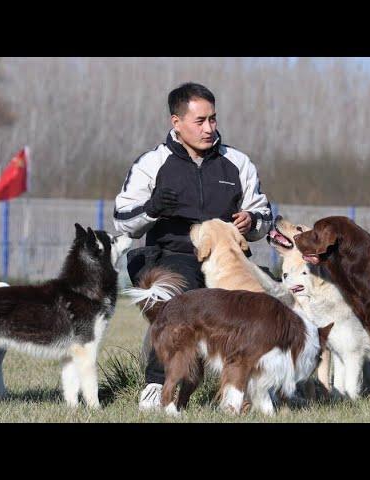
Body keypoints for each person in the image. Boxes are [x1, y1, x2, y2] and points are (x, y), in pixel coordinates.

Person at [113, 82, 272, 410]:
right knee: (179, 295)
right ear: (176, 122)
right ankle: (157, 385)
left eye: (213, 119)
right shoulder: (151, 163)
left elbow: (266, 216)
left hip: (227, 261)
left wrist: (252, 222)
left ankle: (251, 390)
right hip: (171, 256)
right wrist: (152, 208)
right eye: (200, 121)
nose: (210, 128)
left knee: (263, 302)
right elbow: (122, 220)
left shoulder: (238, 163)